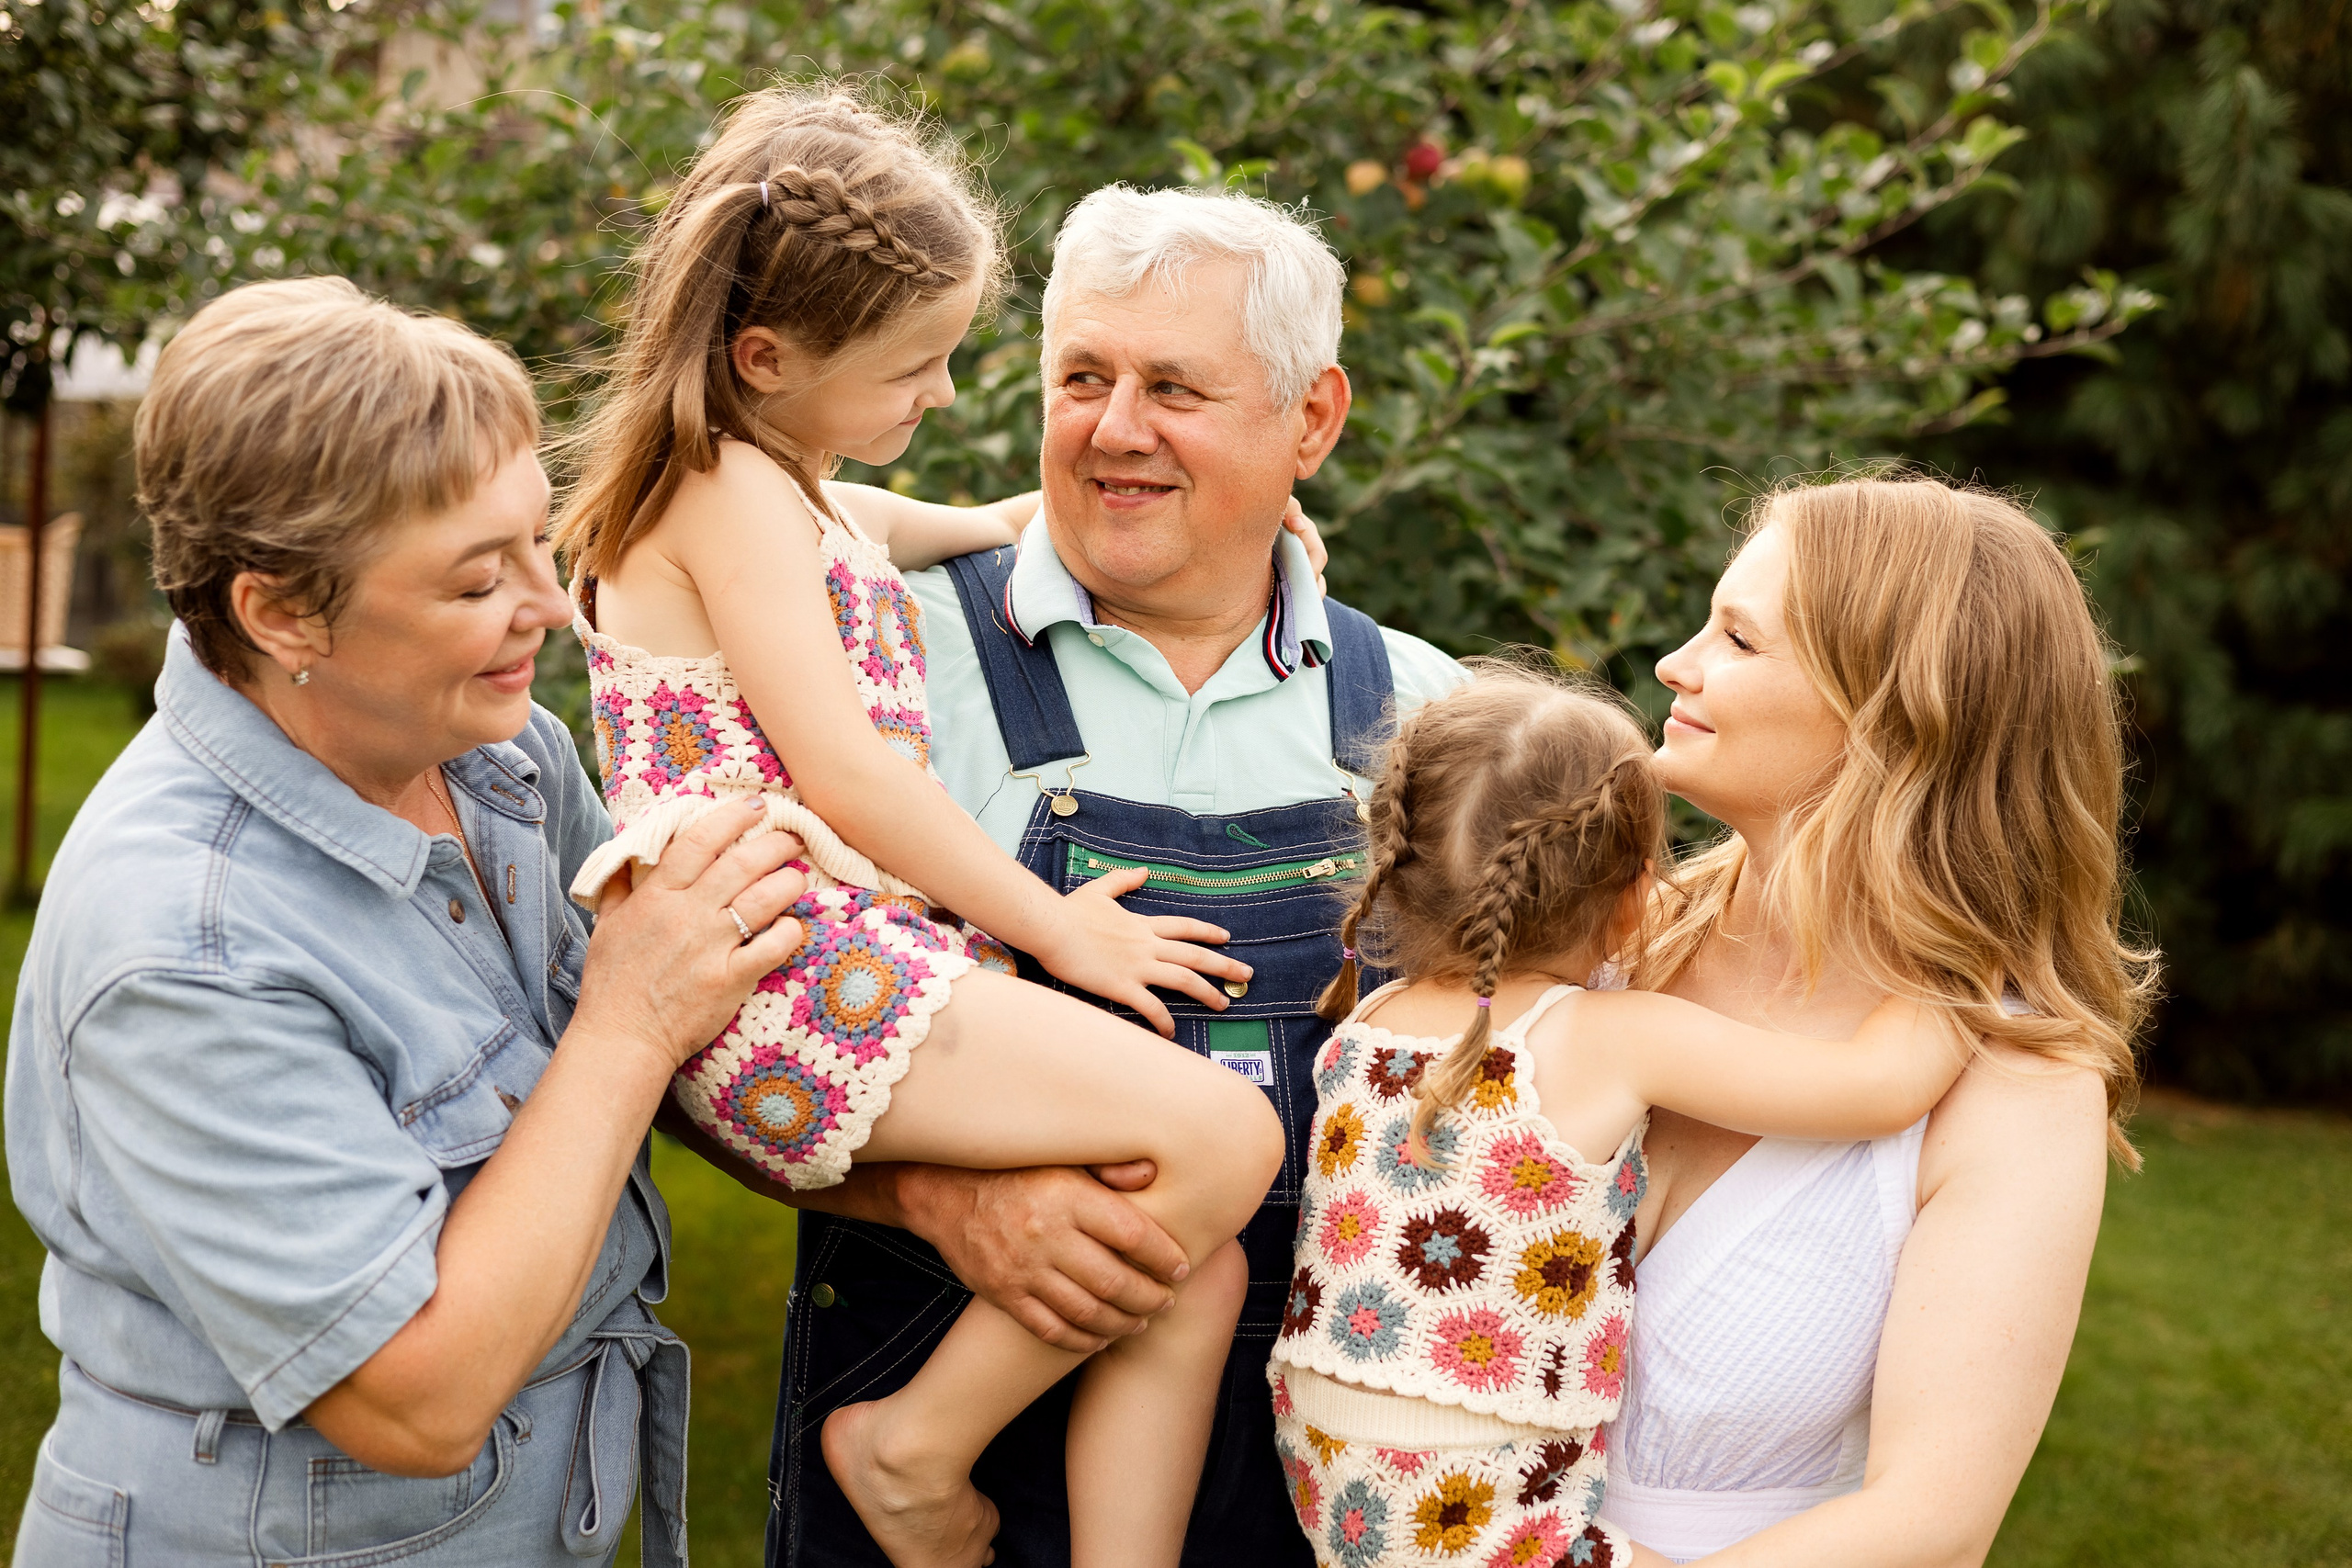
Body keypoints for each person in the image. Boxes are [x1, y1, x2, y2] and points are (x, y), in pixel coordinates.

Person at [646, 179, 1467, 1564]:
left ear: (1310, 421)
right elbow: (670, 1028)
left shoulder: (1433, 724)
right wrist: (934, 1197)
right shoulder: (862, 655)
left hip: (1320, 1489)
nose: (1115, 428)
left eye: (1175, 389)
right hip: (939, 1473)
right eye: (1081, 375)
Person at [551, 85, 1289, 1568]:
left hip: (828, 956)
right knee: (1221, 1130)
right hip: (778, 966)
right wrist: (1056, 922)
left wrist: (1095, 516)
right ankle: (912, 1443)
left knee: (1186, 1266)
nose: (941, 395)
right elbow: (853, 776)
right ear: (767, 359)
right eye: (917, 365)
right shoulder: (717, 489)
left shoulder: (784, 489)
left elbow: (918, 522)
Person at [3, 276, 813, 1566]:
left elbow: (702, 1030)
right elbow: (415, 1393)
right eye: (478, 579)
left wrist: (949, 1203)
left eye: (538, 542)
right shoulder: (183, 942)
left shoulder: (501, 755)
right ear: (280, 610)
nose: (550, 607)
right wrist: (629, 1016)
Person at [1268, 666, 1968, 1568]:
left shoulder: (1367, 1024)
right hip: (1468, 1489)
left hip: (1329, 1455)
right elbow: (1879, 1088)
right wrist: (1967, 949)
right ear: (1637, 894)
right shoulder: (1605, 1037)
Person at [1597, 477, 2155, 1564]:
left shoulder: (2013, 1081)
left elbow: (1930, 1521)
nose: (1675, 664)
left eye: (1739, 640)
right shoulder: (1600, 946)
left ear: (1896, 717)